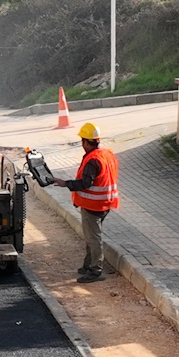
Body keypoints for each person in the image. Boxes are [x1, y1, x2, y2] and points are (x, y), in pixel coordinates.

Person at [54, 121, 121, 282]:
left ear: (85, 141)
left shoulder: (92, 160)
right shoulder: (107, 154)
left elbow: (86, 183)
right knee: (92, 236)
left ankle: (95, 270)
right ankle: (88, 264)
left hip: (93, 205)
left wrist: (66, 183)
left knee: (93, 238)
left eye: (82, 141)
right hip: (106, 203)